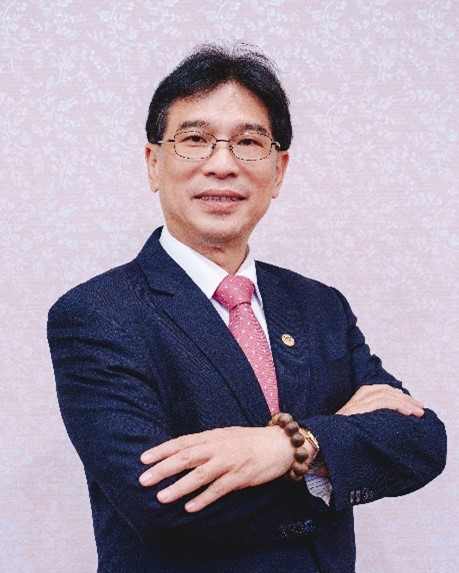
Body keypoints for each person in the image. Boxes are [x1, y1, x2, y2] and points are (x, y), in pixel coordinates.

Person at [48, 44, 446, 573]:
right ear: (153, 163)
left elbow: (420, 441)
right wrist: (328, 453)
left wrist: (284, 447)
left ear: (278, 171)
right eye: (194, 140)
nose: (222, 165)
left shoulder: (319, 306)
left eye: (249, 142)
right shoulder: (97, 314)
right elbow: (163, 504)